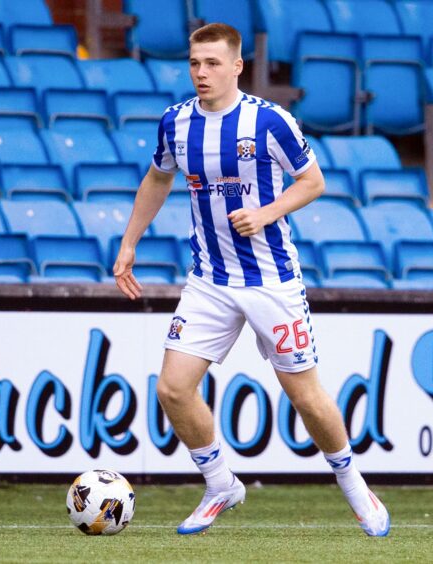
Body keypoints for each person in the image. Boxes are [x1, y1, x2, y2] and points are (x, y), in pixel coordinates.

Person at [113, 22, 390, 537]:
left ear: (237, 66)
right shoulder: (175, 122)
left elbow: (313, 181)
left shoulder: (269, 121)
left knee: (305, 396)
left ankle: (357, 488)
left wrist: (267, 212)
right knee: (172, 389)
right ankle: (221, 484)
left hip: (271, 279)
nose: (201, 72)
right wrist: (129, 242)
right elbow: (158, 177)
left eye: (213, 63)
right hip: (209, 278)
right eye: (195, 62)